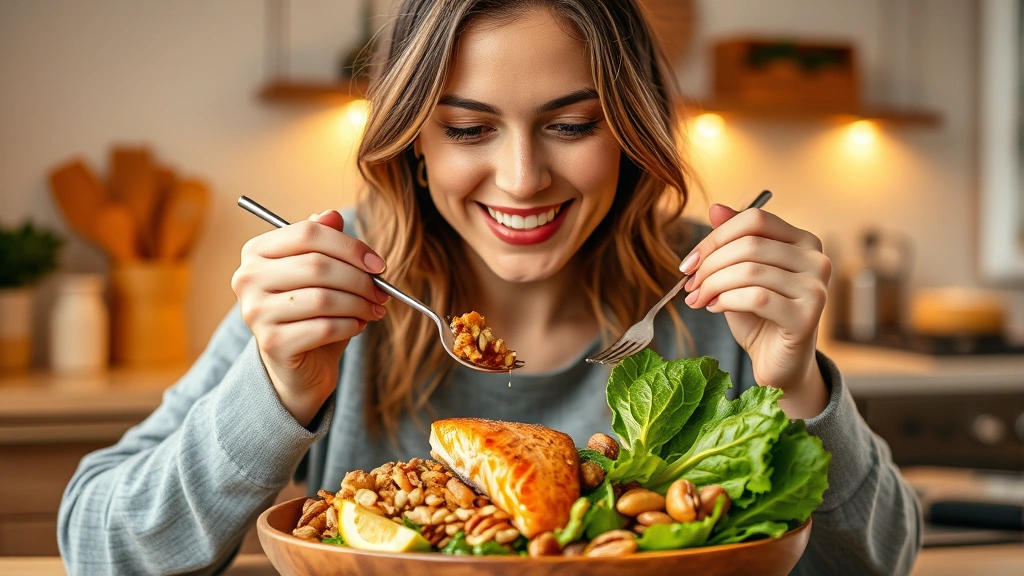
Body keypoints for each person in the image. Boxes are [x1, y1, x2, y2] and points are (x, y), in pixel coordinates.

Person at [58, 0, 921, 574]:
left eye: (572, 125)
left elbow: (881, 562)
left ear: (627, 132)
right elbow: (100, 544)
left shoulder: (709, 294)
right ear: (414, 145)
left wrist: (795, 383)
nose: (520, 178)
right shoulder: (342, 280)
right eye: (470, 127)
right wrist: (277, 391)